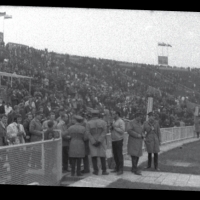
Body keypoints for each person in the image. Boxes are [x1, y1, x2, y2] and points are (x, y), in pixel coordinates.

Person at [86, 110, 109, 175]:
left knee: (94, 156)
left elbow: (88, 133)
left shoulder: (88, 123)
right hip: (101, 141)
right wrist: (99, 140)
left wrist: (93, 141)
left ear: (92, 115)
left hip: (92, 141)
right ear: (98, 115)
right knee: (102, 156)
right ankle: (104, 171)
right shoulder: (103, 122)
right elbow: (105, 132)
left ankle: (96, 170)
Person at [6, 114, 27, 184]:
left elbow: (25, 134)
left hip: (21, 147)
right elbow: (8, 136)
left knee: (21, 164)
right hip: (14, 148)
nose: (20, 120)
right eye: (18, 118)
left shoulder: (21, 125)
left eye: (20, 118)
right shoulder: (10, 126)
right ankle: (14, 180)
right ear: (15, 119)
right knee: (14, 165)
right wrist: (17, 134)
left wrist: (23, 134)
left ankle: (20, 179)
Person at [110, 111, 125, 175]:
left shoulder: (120, 121)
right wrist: (111, 127)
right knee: (115, 154)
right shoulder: (114, 121)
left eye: (114, 114)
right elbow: (113, 129)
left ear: (117, 114)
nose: (113, 115)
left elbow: (122, 131)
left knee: (119, 155)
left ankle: (121, 169)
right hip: (113, 140)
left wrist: (115, 128)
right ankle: (117, 168)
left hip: (119, 140)